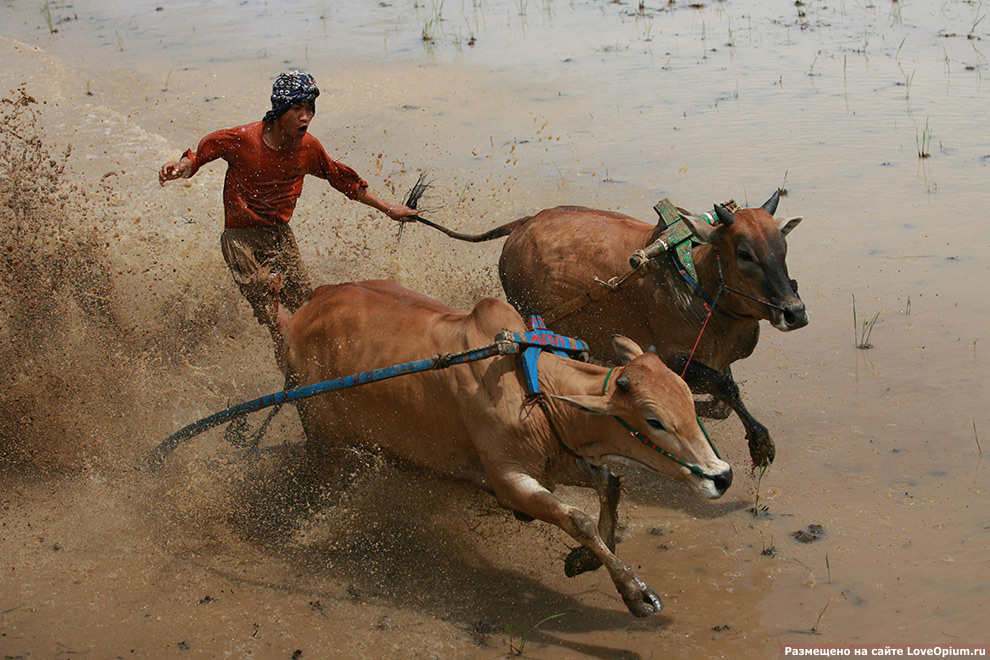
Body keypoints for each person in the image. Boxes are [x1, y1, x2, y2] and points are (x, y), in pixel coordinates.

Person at [158, 70, 417, 351]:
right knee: (279, 322)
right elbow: (200, 155)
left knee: (308, 309)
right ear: (280, 110)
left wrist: (389, 209)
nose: (305, 117)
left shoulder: (309, 148)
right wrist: (180, 168)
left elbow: (344, 181)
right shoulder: (241, 139)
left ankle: (323, 370)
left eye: (310, 109)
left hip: (280, 237)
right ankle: (295, 389)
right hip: (241, 241)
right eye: (297, 109)